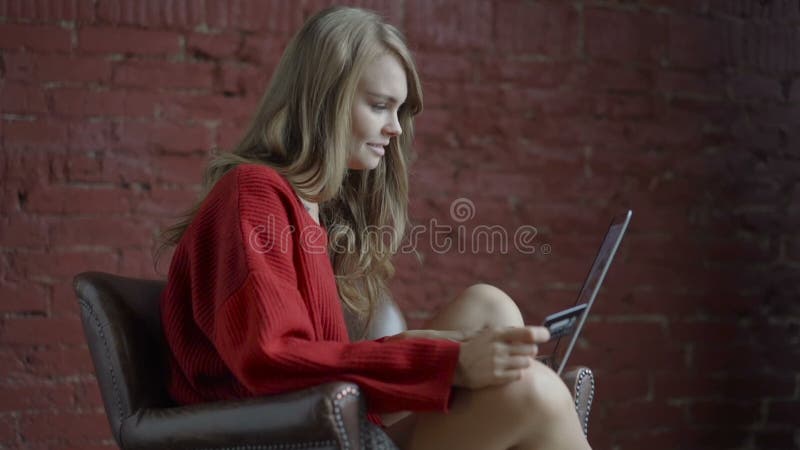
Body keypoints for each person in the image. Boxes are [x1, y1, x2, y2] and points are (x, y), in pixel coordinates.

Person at [156, 6, 591, 450]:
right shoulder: (252, 193)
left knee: (488, 307)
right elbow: (271, 358)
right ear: (323, 98)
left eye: (399, 110)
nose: (396, 128)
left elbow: (310, 362)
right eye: (380, 106)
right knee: (537, 392)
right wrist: (446, 362)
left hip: (317, 415)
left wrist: (422, 347)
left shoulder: (313, 207)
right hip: (272, 434)